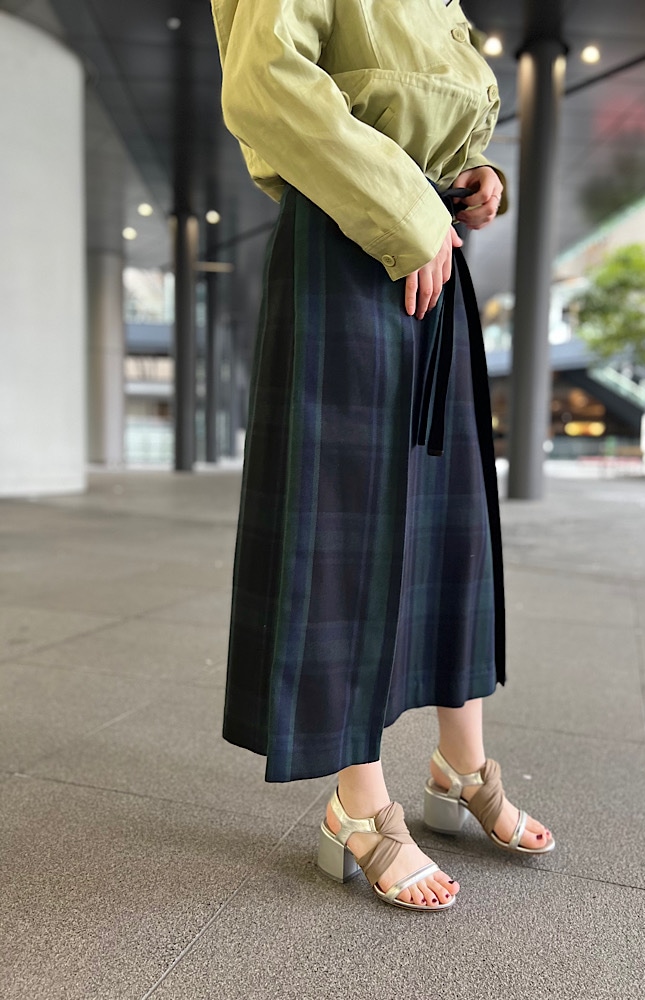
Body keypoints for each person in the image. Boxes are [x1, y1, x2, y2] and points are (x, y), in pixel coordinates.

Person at [210, 0, 554, 912]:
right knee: (346, 530)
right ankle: (357, 805)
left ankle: (460, 764)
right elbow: (265, 82)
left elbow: (428, 110)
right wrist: (406, 208)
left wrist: (478, 178)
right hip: (349, 238)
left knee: (452, 529)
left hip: (431, 252)